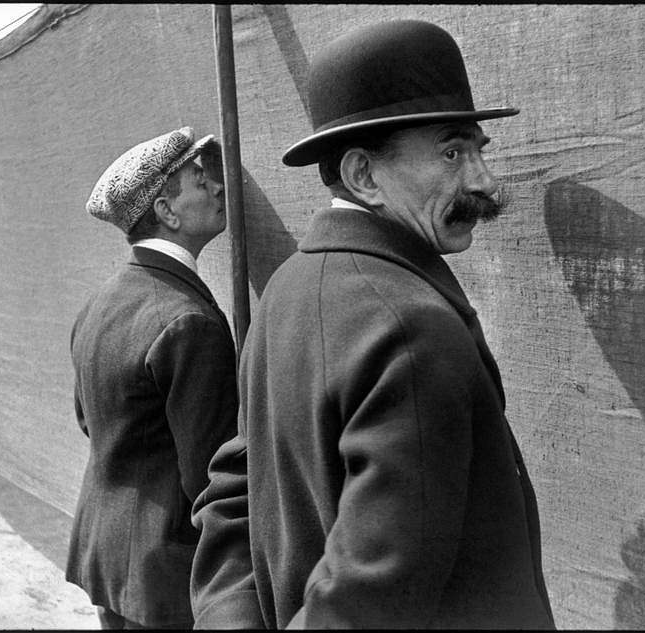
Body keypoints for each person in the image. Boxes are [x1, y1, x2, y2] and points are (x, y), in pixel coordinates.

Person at [190, 20, 556, 629]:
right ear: (363, 175)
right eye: (450, 152)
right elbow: (369, 600)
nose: (483, 181)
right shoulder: (413, 328)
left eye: (477, 151)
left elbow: (235, 491)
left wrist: (229, 619)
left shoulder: (285, 289)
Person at [67, 126, 237, 629]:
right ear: (167, 210)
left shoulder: (101, 301)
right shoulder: (187, 319)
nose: (219, 188)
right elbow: (209, 471)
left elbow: (88, 420)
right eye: (200, 180)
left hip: (107, 554)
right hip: (167, 577)